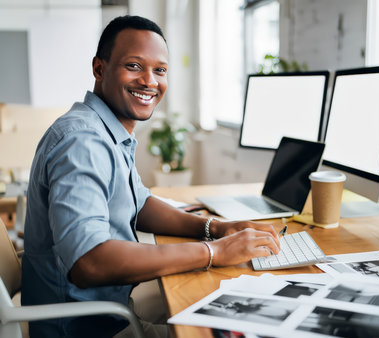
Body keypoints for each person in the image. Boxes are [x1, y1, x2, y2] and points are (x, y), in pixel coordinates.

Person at [21, 15, 280, 338]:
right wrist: (214, 253)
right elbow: (89, 261)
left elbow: (139, 203)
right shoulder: (82, 141)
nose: (149, 81)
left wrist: (215, 228)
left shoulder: (106, 130)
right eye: (134, 66)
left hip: (109, 309)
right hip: (88, 327)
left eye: (160, 70)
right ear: (99, 69)